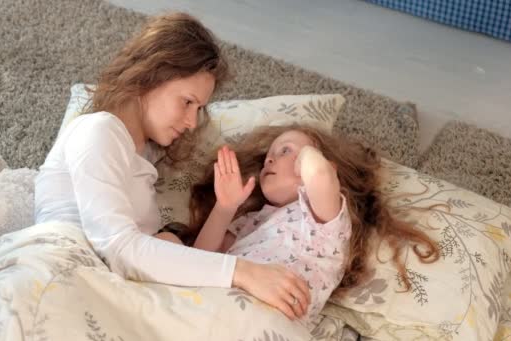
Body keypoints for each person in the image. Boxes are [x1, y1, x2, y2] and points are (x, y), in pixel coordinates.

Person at [34, 12, 311, 320]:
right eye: (187, 102)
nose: (192, 122)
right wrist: (242, 271)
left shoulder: (141, 157)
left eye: (200, 109)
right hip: (60, 280)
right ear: (151, 76)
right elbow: (119, 248)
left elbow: (170, 263)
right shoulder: (99, 130)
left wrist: (224, 207)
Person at [172, 124, 440, 328]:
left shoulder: (322, 219)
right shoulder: (250, 221)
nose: (269, 159)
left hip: (267, 320)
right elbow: (200, 259)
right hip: (216, 305)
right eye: (269, 155)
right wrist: (225, 207)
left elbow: (321, 176)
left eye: (285, 151)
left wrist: (310, 153)